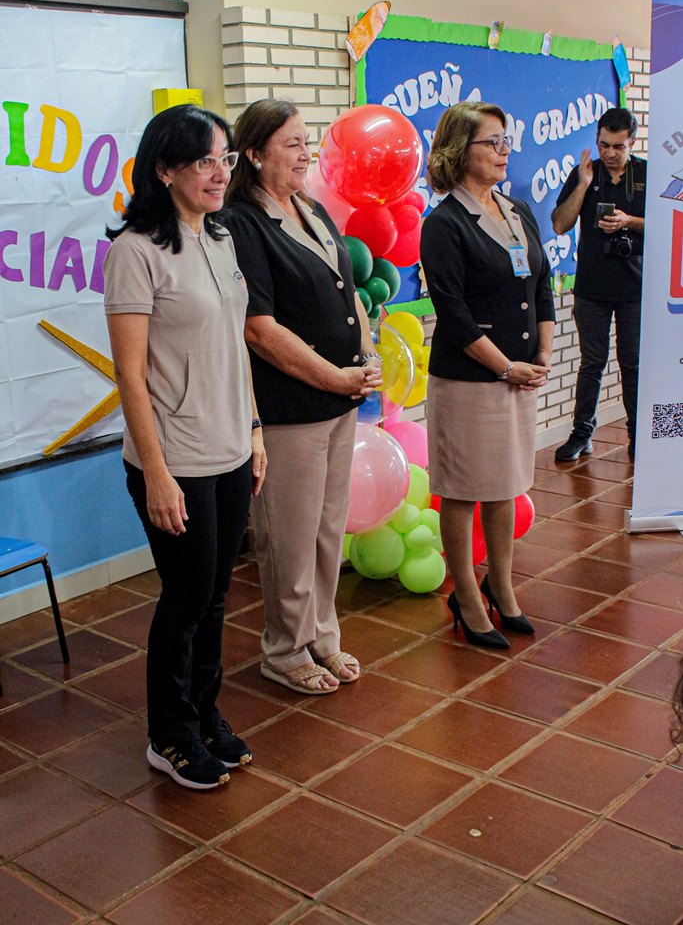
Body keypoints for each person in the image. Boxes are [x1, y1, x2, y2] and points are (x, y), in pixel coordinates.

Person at [104, 104, 267, 790]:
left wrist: (255, 429)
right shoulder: (134, 252)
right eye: (203, 160)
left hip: (231, 449)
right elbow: (130, 375)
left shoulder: (222, 237)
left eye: (224, 157)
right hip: (175, 461)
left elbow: (235, 344)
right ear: (165, 169)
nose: (217, 172)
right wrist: (160, 476)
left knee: (217, 594)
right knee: (186, 596)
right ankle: (168, 735)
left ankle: (204, 714)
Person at [223, 99, 381, 695]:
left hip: (339, 401)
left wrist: (363, 361)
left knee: (325, 531)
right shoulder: (242, 222)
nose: (305, 153)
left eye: (306, 142)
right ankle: (284, 650)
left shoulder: (310, 210)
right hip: (291, 409)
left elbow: (352, 296)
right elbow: (259, 328)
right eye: (291, 143)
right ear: (255, 153)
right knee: (287, 536)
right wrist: (333, 377)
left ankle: (323, 636)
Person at [420, 101, 555, 649]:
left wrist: (543, 351)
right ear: (460, 150)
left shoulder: (517, 210)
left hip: (519, 373)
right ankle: (468, 598)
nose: (504, 152)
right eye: (492, 143)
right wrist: (505, 367)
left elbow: (540, 283)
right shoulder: (444, 223)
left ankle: (502, 586)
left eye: (506, 142)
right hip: (471, 380)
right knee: (463, 490)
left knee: (504, 487)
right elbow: (452, 314)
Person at [552, 108, 646, 461]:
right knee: (592, 364)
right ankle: (582, 434)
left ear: (632, 143)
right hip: (591, 289)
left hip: (635, 289)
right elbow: (560, 225)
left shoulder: (647, 175)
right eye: (604, 144)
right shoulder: (584, 175)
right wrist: (583, 185)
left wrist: (630, 221)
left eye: (618, 147)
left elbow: (670, 228)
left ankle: (637, 437)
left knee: (632, 364)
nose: (609, 153)